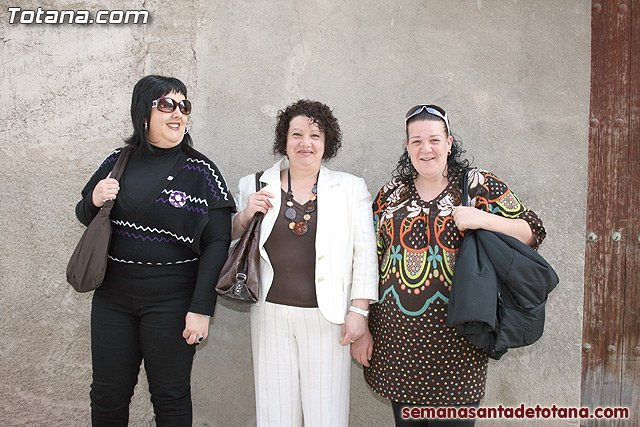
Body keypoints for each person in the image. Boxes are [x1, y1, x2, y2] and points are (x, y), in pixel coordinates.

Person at [351, 104, 546, 426]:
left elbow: (533, 230)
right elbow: (368, 261)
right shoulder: (390, 194)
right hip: (398, 345)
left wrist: (482, 218)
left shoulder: (477, 186)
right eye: (416, 141)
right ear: (407, 147)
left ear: (449, 143)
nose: (425, 149)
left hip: (460, 342)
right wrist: (362, 329)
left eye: (434, 140)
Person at [75, 75, 235, 426]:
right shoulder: (118, 161)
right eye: (166, 104)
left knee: (171, 397)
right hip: (112, 300)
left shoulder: (202, 172)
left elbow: (217, 243)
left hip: (173, 302)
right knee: (106, 394)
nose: (178, 112)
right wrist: (94, 198)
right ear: (143, 113)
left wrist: (201, 309)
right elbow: (84, 213)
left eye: (183, 105)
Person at [232, 99, 378, 427]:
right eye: (296, 134)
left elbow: (365, 253)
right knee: (274, 413)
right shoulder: (253, 185)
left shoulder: (351, 189)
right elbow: (227, 240)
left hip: (328, 318)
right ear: (284, 140)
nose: (305, 143)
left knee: (326, 414)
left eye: (315, 135)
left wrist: (360, 312)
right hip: (269, 314)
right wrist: (244, 214)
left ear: (327, 143)